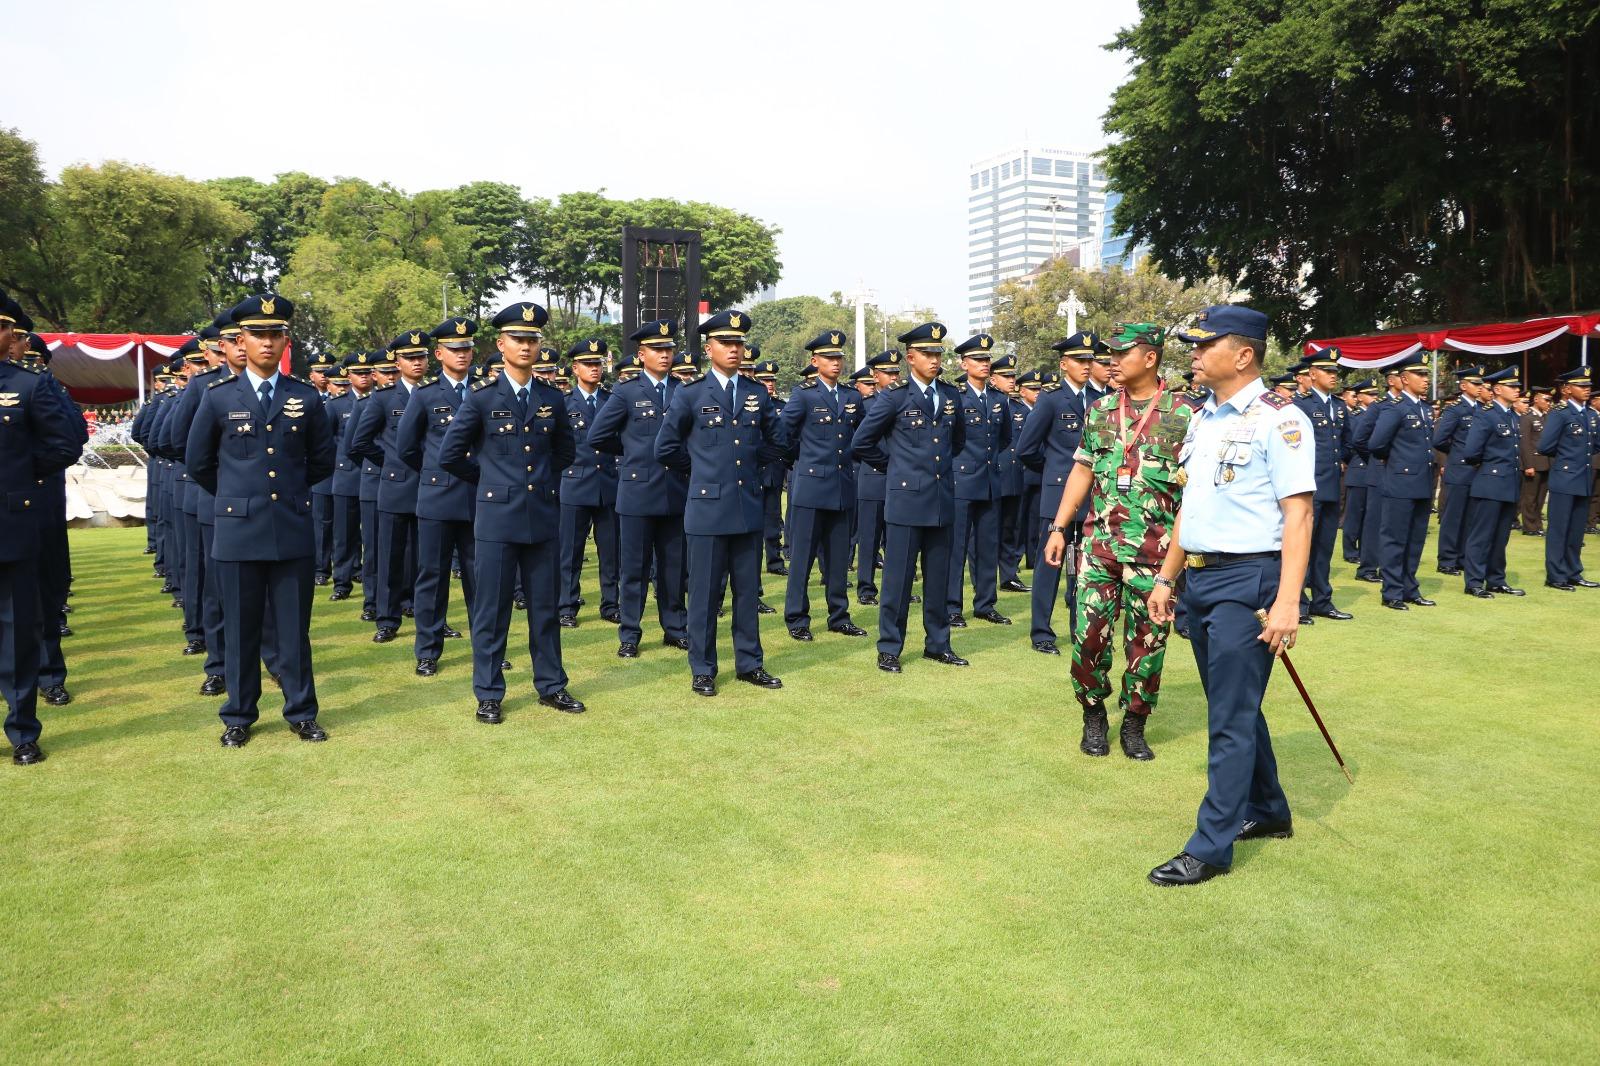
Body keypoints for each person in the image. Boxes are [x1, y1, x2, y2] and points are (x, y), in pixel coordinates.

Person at [1145, 304, 1315, 886]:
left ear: (1243, 355)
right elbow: (1191, 507)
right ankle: (1267, 809)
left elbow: (1298, 515)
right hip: (1201, 577)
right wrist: (1168, 577)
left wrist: (1289, 601)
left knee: (1230, 716)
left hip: (1251, 581)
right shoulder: (1204, 418)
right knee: (1232, 703)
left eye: (1204, 344)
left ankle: (1211, 846)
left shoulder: (1282, 420)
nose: (1193, 353)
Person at [184, 294, 336, 747]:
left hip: (290, 526)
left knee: (293, 629)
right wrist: (237, 498)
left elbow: (322, 460)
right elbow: (199, 462)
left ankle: (302, 711)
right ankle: (238, 714)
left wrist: (285, 495)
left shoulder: (304, 397)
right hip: (237, 530)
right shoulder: (217, 398)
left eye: (275, 334)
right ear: (241, 340)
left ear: (285, 340)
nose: (267, 343)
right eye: (258, 335)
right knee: (241, 627)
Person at [1043, 322, 1190, 761]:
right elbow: (1083, 469)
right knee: (1087, 636)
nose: (1112, 361)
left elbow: (1194, 491)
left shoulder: (1185, 413)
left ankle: (1134, 723)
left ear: (1150, 358)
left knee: (1148, 642)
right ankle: (1093, 714)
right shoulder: (1102, 409)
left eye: (1122, 354)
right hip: (1099, 547)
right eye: (1110, 354)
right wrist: (1058, 527)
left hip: (1157, 555)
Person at [438, 301, 585, 720]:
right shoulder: (482, 400)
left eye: (532, 339)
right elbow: (451, 455)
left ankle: (552, 685)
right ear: (501, 344)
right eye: (518, 339)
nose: (526, 346)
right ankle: (488, 692)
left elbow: (564, 452)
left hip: (541, 516)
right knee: (492, 611)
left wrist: (534, 482)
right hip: (497, 519)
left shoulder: (551, 398)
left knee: (545, 609)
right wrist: (490, 482)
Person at [653, 309, 785, 696]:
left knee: (747, 592)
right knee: (705, 595)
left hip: (746, 506)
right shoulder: (691, 393)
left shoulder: (756, 393)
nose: (734, 349)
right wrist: (702, 471)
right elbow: (666, 447)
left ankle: (749, 663)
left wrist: (747, 471)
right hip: (708, 508)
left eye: (739, 343)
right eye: (726, 343)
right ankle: (703, 668)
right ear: (709, 348)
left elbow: (776, 442)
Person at [850, 321, 968, 673]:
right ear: (910, 357)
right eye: (927, 353)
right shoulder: (894, 397)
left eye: (938, 353)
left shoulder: (949, 396)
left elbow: (956, 442)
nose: (934, 360)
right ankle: (889, 647)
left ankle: (938, 643)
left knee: (938, 577)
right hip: (905, 501)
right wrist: (896, 467)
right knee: (898, 582)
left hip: (941, 498)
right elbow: (862, 443)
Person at [0, 290, 86, 764]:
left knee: (17, 633)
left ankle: (22, 731)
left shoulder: (29, 386)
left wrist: (20, 476)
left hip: (12, 522)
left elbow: (65, 443)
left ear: (10, 334)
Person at [587, 319, 691, 658]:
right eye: (657, 349)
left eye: (669, 349)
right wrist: (631, 452)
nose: (665, 355)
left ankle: (674, 627)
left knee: (673, 567)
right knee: (633, 568)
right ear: (642, 353)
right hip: (637, 492)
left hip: (676, 489)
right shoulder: (626, 391)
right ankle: (630, 632)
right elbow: (598, 436)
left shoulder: (683, 390)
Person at [396, 319, 479, 676]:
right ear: (439, 353)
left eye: (466, 349)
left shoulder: (486, 391)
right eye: (454, 349)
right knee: (432, 577)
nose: (461, 355)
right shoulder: (426, 395)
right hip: (438, 498)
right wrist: (434, 474)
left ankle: (487, 647)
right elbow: (406, 447)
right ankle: (428, 650)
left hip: (480, 497)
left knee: (483, 579)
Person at [779, 330, 868, 642]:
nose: (836, 362)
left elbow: (861, 436)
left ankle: (838, 615)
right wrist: (799, 463)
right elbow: (783, 435)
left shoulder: (852, 396)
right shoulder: (803, 395)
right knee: (802, 558)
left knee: (839, 559)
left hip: (843, 487)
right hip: (811, 488)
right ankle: (797, 618)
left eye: (839, 357)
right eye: (829, 358)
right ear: (815, 361)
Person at [1016, 331, 1101, 654]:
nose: (1086, 365)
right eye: (1080, 360)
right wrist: (1054, 472)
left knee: (1087, 568)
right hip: (1057, 495)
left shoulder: (1099, 400)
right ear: (1064, 364)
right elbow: (1026, 449)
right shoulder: (1050, 400)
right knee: (1049, 564)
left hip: (1092, 496)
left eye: (1089, 360)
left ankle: (1081, 629)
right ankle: (1041, 632)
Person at [350, 330, 430, 643]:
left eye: (421, 356)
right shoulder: (383, 399)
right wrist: (391, 465)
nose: (417, 362)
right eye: (410, 357)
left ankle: (429, 617)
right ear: (397, 361)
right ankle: (387, 619)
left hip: (429, 487)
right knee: (390, 557)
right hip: (396, 488)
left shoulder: (435, 394)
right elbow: (359, 443)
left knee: (428, 560)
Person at [946, 333, 1013, 627]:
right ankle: (951, 606)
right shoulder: (955, 397)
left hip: (989, 481)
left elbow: (1005, 438)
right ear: (964, 364)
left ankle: (985, 604)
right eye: (978, 359)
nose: (984, 364)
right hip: (961, 481)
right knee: (955, 548)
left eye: (987, 359)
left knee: (987, 547)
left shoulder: (999, 399)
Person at [556, 338, 620, 629]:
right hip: (574, 484)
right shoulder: (563, 403)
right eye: (588, 364)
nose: (595, 369)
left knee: (611, 552)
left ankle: (611, 604)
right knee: (570, 552)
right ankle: (567, 606)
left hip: (608, 484)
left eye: (598, 363)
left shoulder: (612, 400)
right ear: (575, 368)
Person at [1368, 355, 1438, 610]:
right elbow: (1376, 444)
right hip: (1400, 481)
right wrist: (1397, 463)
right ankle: (1392, 592)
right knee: (1395, 539)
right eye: (1419, 375)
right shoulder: (1395, 408)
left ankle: (1410, 588)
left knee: (1415, 539)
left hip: (1421, 481)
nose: (1425, 380)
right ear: (1405, 379)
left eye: (1425, 375)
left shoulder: (1424, 408)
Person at [1293, 349, 1353, 622]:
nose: (1333, 376)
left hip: (1331, 485)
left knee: (1324, 547)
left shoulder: (1339, 406)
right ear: (1312, 374)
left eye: (1335, 372)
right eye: (1327, 371)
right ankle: (1298, 603)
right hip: (1308, 485)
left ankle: (1322, 600)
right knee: (1302, 546)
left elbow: (1348, 442)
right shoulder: (1300, 405)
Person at [1459, 365, 1525, 598]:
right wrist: (1489, 467)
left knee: (1501, 536)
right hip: (1490, 483)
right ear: (1497, 389)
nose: (1517, 390)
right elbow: (1471, 451)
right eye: (1512, 386)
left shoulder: (1512, 417)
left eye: (1517, 386)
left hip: (1508, 484)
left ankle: (1496, 579)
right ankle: (1474, 582)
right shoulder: (1486, 415)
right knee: (1482, 535)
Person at [1536, 368, 1598, 590]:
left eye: (1588, 386)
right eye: (1582, 386)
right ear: (1567, 389)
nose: (1587, 389)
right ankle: (1556, 575)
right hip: (1564, 477)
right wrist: (1566, 458)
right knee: (1559, 529)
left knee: (1576, 530)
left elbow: (1595, 444)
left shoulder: (1590, 414)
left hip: (1582, 478)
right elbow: (1545, 446)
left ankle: (1573, 571)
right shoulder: (1560, 413)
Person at [326, 351, 376, 603]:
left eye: (368, 372)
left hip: (374, 475)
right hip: (346, 475)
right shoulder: (336, 405)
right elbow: (327, 441)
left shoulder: (378, 400)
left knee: (372, 537)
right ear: (348, 374)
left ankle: (369, 582)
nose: (364, 377)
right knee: (344, 535)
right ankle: (342, 582)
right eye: (358, 373)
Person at [854, 350, 901, 605]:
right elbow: (857, 443)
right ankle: (866, 589)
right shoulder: (866, 405)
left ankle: (895, 588)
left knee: (895, 540)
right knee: (869, 539)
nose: (893, 377)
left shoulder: (905, 400)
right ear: (875, 375)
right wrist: (886, 464)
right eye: (888, 372)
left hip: (898, 482)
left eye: (896, 372)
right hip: (873, 477)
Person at [1432, 365, 1485, 575]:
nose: (1480, 387)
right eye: (1475, 383)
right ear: (1464, 386)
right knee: (1453, 517)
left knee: (1471, 517)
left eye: (1481, 384)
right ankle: (1447, 559)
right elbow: (1439, 439)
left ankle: (1463, 557)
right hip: (1460, 469)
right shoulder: (1455, 410)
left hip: (1477, 471)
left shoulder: (1482, 410)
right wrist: (1458, 454)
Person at [307, 354, 337, 585]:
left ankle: (347, 566)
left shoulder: (339, 398)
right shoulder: (305, 398)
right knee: (321, 522)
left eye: (328, 370)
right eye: (320, 371)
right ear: (312, 375)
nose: (325, 375)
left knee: (343, 524)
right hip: (315, 468)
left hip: (340, 467)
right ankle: (320, 568)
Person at [1340, 380, 1378, 563]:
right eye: (1371, 395)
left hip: (1370, 471)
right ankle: (1350, 551)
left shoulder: (1378, 414)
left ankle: (1365, 550)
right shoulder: (1355, 417)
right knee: (1354, 515)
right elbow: (1351, 444)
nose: (1375, 398)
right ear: (1361, 397)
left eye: (1376, 395)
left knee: (1368, 516)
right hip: (1359, 470)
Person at [1519, 385, 1552, 536]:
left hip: (1546, 463)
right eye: (1546, 399)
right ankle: (1529, 526)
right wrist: (1528, 465)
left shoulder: (1546, 417)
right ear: (1537, 399)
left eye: (1551, 400)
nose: (1549, 402)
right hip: (1533, 463)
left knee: (1540, 497)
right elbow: (1525, 443)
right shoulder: (1527, 418)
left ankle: (1538, 525)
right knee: (1530, 497)